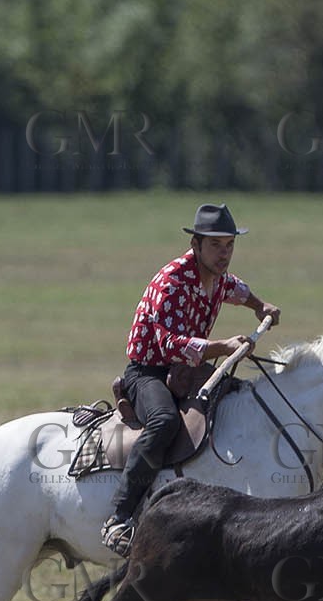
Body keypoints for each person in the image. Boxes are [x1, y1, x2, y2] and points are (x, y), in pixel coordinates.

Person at [100, 203, 281, 557]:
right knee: (164, 421)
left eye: (229, 245)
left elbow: (237, 290)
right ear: (195, 245)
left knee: (239, 398)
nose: (224, 253)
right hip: (148, 371)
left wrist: (261, 307)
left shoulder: (216, 277)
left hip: (185, 370)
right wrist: (224, 346)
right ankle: (119, 518)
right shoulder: (171, 282)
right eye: (215, 245)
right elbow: (170, 343)